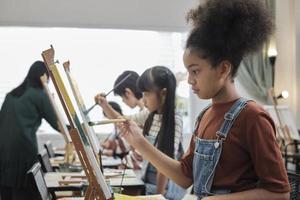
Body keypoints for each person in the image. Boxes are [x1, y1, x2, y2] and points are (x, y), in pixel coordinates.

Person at [119, 0, 290, 199]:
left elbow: (279, 193)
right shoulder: (204, 117)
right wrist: (140, 144)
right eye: (188, 72)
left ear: (223, 69)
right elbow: (185, 176)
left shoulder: (253, 117)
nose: (190, 80)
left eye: (195, 71)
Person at [95, 66, 186, 199]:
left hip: (165, 191)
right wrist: (104, 105)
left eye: (147, 94)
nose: (143, 99)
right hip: (148, 184)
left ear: (163, 93)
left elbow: (165, 168)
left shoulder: (175, 120)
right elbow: (123, 121)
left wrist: (158, 196)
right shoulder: (150, 114)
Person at [0, 61, 60, 200]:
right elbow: (58, 124)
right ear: (44, 77)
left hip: (3, 155)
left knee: (8, 194)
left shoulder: (11, 95)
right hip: (23, 153)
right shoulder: (39, 94)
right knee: (26, 195)